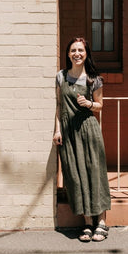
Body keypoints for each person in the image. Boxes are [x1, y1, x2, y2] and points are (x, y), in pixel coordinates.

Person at [53, 37, 111, 242]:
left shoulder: (94, 79)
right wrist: (57, 130)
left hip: (89, 130)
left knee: (95, 172)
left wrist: (88, 103)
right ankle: (87, 222)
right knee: (76, 175)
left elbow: (100, 106)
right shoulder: (61, 77)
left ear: (86, 54)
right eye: (73, 50)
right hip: (69, 132)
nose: (77, 53)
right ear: (68, 54)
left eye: (80, 50)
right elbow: (59, 106)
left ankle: (102, 222)